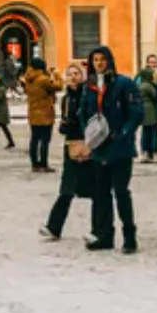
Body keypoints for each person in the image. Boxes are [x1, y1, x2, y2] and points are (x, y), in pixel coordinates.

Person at [81, 47, 144, 254]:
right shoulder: (89, 86)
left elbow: (137, 112)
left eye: (102, 59)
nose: (99, 63)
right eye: (95, 60)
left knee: (121, 192)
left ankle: (129, 236)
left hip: (120, 147)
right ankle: (104, 235)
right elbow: (84, 112)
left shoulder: (123, 83)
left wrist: (125, 132)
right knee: (101, 194)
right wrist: (88, 133)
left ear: (109, 61)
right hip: (99, 146)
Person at [41, 62, 91, 241]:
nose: (73, 77)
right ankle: (53, 227)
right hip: (71, 145)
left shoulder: (88, 96)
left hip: (88, 144)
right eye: (70, 74)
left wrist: (73, 124)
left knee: (96, 190)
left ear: (83, 77)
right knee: (67, 188)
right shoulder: (66, 99)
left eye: (77, 73)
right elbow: (66, 119)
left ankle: (101, 229)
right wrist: (64, 126)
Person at [23, 59, 60, 173]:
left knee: (34, 139)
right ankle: (44, 164)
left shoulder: (29, 79)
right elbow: (58, 86)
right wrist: (57, 75)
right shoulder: (43, 80)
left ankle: (35, 164)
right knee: (45, 141)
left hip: (33, 114)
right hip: (45, 114)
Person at [136, 55, 157, 162]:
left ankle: (145, 151)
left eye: (155, 62)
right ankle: (153, 151)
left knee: (146, 131)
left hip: (143, 108)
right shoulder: (147, 83)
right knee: (153, 131)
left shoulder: (154, 75)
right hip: (151, 109)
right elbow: (156, 95)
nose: (153, 65)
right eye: (151, 62)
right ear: (147, 63)